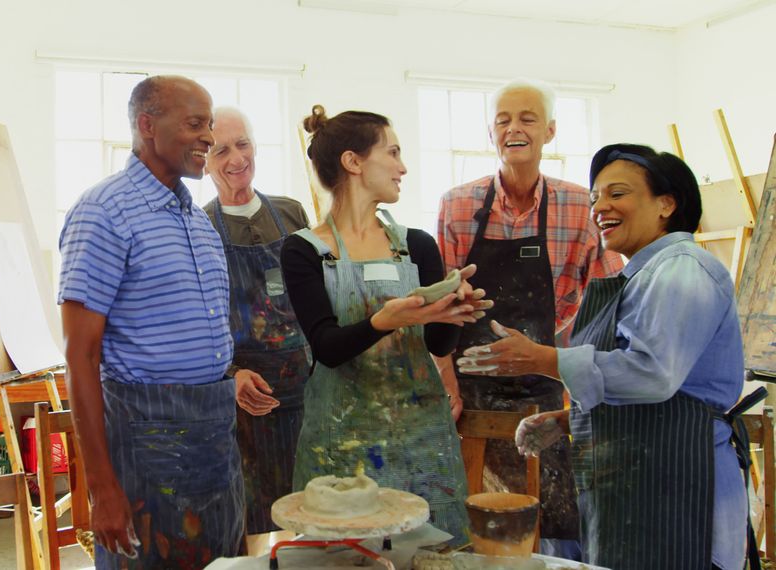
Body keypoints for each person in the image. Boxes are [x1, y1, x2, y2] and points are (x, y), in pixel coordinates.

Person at [459, 143, 749, 569]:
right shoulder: (639, 276)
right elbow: (651, 390)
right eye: (595, 197)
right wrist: (569, 420)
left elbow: (653, 374)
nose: (600, 207)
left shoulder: (682, 268)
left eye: (617, 193)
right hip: (638, 488)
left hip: (680, 490)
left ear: (666, 204)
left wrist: (543, 359)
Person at [281, 105, 491, 542]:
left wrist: (453, 309)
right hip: (342, 448)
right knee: (348, 559)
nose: (403, 167)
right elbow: (327, 347)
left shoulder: (417, 245)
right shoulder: (304, 250)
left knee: (433, 555)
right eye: (392, 153)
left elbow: (437, 343)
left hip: (421, 439)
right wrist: (382, 321)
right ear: (353, 162)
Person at [59, 75, 244, 569]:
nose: (209, 137)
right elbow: (80, 356)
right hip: (145, 444)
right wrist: (102, 489)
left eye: (209, 124)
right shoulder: (103, 212)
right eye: (194, 124)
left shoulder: (197, 222)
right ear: (146, 125)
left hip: (215, 440)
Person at [435, 78, 623, 554]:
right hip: (471, 391)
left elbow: (607, 301)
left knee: (548, 522)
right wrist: (447, 382)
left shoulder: (578, 206)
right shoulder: (457, 205)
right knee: (475, 525)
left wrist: (580, 380)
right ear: (490, 133)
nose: (513, 129)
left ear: (550, 131)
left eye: (527, 119)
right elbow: (439, 311)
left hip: (545, 388)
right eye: (502, 121)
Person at [203, 106, 312, 554]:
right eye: (220, 151)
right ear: (203, 162)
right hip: (241, 397)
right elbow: (199, 322)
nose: (236, 159)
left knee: (303, 513)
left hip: (301, 389)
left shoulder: (291, 213)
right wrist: (229, 377)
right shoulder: (200, 227)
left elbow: (316, 297)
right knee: (245, 520)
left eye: (242, 144)